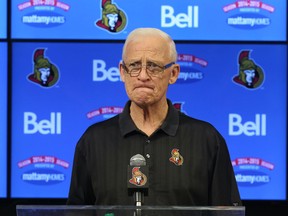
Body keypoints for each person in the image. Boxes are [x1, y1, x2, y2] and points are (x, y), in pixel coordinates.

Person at [67, 27, 242, 207]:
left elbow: (225, 210)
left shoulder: (207, 140)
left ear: (173, 73)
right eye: (134, 66)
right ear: (122, 72)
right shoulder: (93, 140)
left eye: (154, 66)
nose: (143, 76)